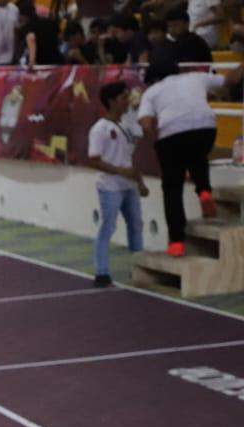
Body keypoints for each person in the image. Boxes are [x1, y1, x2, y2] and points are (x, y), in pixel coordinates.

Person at [138, 58, 244, 256]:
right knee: (196, 155)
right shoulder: (196, 77)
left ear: (153, 78)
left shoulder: (151, 92)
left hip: (172, 133)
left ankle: (177, 242)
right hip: (206, 129)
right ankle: (204, 192)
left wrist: (157, 143)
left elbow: (145, 124)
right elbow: (230, 80)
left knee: (172, 188)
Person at [88, 82, 148, 287]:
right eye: (123, 98)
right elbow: (93, 159)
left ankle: (139, 269)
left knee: (136, 226)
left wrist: (139, 182)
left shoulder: (130, 126)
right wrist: (120, 171)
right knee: (108, 227)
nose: (127, 101)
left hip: (129, 185)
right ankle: (101, 272)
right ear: (111, 101)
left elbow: (131, 159)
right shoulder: (99, 129)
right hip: (110, 186)